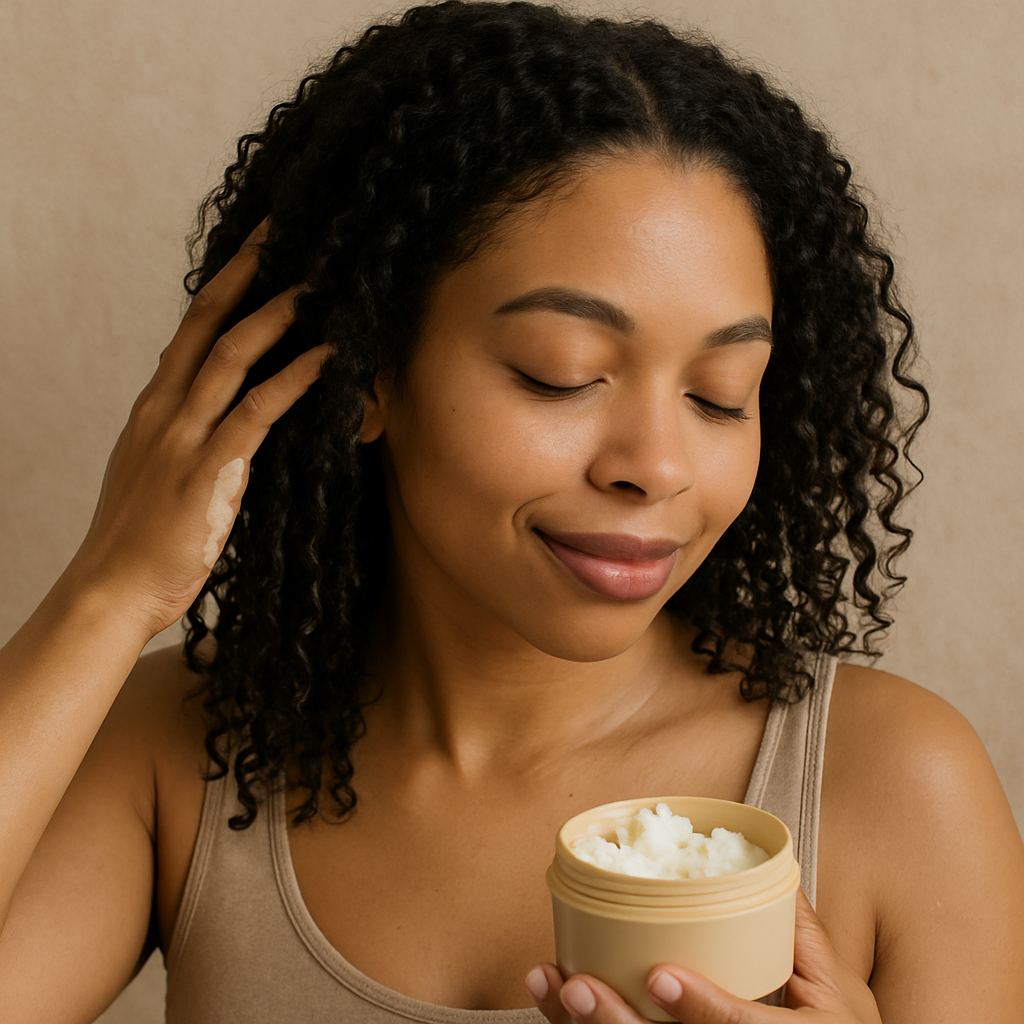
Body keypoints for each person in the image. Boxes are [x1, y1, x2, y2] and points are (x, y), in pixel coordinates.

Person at [1, 1, 1022, 1021]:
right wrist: (113, 587)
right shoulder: (179, 749)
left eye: (720, 393)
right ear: (364, 376)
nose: (656, 466)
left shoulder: (899, 785)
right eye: (560, 374)